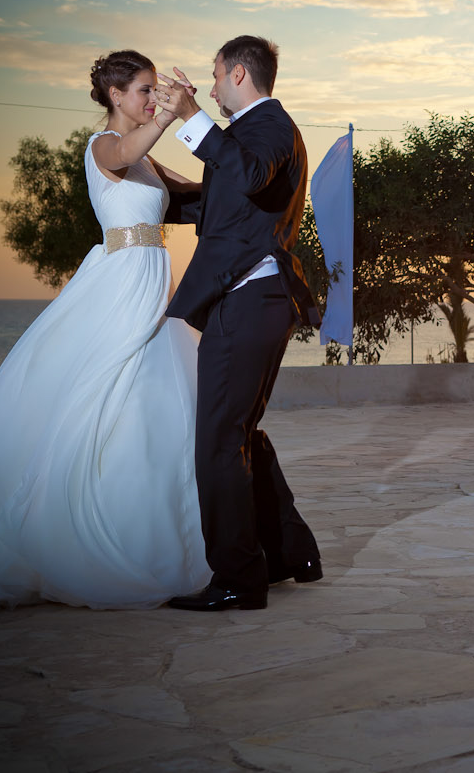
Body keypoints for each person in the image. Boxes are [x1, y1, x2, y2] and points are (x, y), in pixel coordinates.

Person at [0, 50, 212, 610]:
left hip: (153, 284)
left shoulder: (148, 163)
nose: (150, 99)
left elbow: (197, 191)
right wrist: (170, 114)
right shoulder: (106, 146)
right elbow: (131, 147)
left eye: (155, 90)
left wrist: (210, 133)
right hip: (118, 284)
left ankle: (153, 524)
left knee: (149, 397)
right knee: (96, 387)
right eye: (143, 90)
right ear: (114, 96)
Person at [154, 35, 322, 612]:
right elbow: (218, 199)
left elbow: (247, 175)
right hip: (252, 300)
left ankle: (238, 579)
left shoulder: (271, 126)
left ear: (241, 75)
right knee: (240, 434)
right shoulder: (249, 136)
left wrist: (191, 118)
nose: (212, 84)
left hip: (252, 299)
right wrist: (139, 169)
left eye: (217, 74)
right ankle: (286, 555)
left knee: (218, 443)